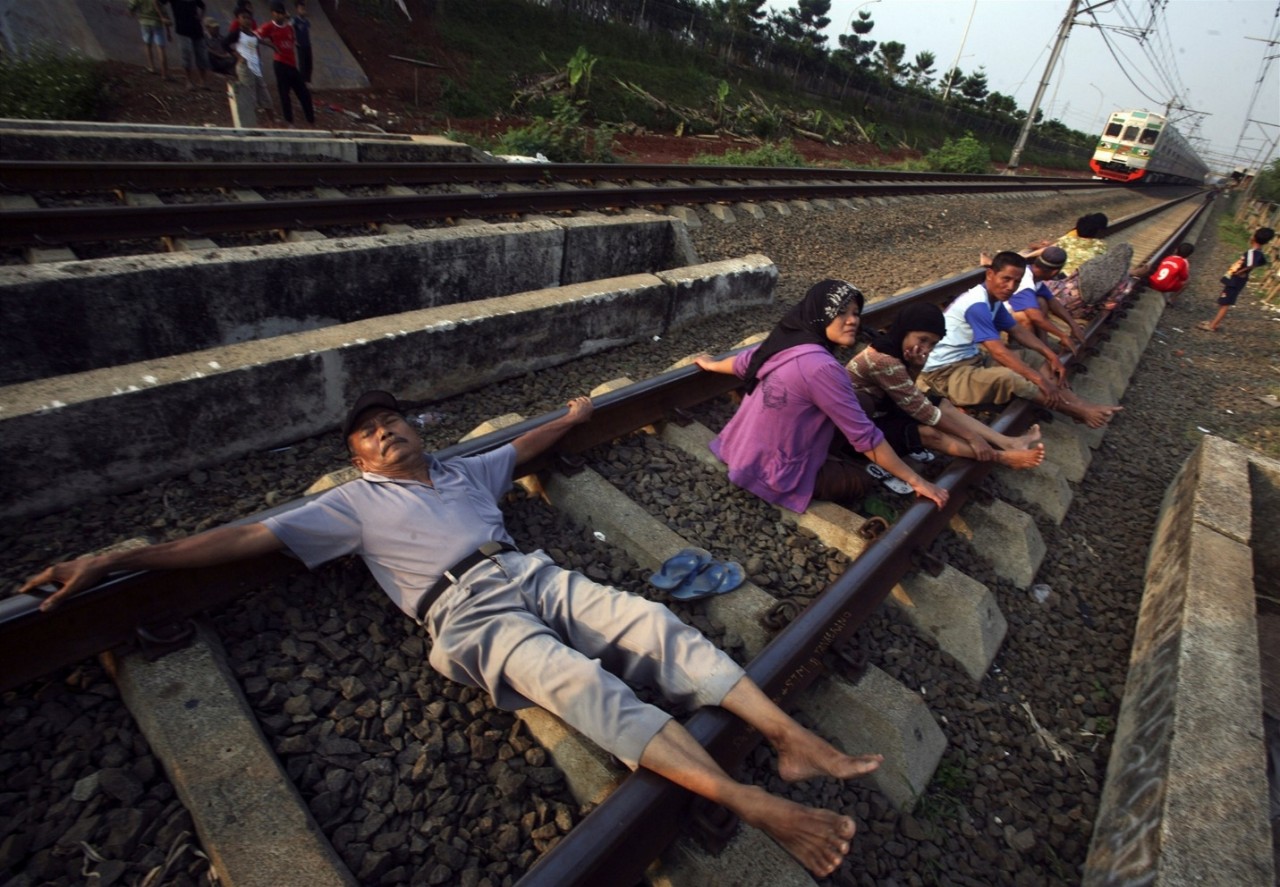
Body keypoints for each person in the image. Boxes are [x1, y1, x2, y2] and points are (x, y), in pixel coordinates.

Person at [17, 390, 883, 878]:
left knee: (651, 619)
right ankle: (753, 802)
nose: (385, 432)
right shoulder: (351, 505)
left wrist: (576, 413)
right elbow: (236, 540)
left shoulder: (468, 469)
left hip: (529, 568)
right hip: (464, 612)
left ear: (416, 431)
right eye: (368, 434)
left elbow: (529, 443)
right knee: (582, 686)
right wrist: (115, 554)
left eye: (393, 421)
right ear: (359, 459)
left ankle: (788, 737)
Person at [694, 280, 949, 510]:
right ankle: (821, 461)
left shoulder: (787, 341)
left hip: (739, 447)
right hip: (768, 471)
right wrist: (918, 481)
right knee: (860, 479)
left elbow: (742, 363)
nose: (852, 320)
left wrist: (711, 364)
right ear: (820, 314)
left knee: (862, 402)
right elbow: (865, 437)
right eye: (840, 312)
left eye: (855, 313)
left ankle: (824, 452)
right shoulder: (823, 368)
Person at [918, 252, 1123, 430]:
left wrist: (1051, 355)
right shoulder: (976, 305)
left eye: (1016, 282)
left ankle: (1080, 405)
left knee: (1033, 358)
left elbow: (1016, 329)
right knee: (1012, 377)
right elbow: (998, 351)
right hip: (945, 374)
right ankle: (1078, 411)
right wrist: (1039, 379)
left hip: (972, 359)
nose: (1011, 287)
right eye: (1005, 279)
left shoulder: (993, 300)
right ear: (990, 274)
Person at [847, 303, 1046, 470]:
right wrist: (973, 438)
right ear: (904, 330)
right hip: (854, 431)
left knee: (942, 405)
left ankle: (1008, 442)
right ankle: (1000, 456)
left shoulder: (893, 347)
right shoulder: (883, 359)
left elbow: (908, 390)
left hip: (878, 411)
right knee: (928, 432)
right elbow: (924, 413)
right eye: (922, 339)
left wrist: (917, 366)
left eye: (932, 344)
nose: (926, 349)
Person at [1006, 246, 1087, 356]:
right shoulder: (1025, 282)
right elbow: (1035, 317)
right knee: (1025, 317)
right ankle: (1029, 351)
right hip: (993, 316)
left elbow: (1052, 301)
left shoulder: (1033, 275)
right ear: (1055, 272)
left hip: (1005, 310)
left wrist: (1073, 325)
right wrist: (1062, 335)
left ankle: (1044, 345)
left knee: (1042, 301)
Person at [1199, 227, 1273, 332]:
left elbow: (1251, 264)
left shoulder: (1253, 252)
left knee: (1225, 303)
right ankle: (1213, 322)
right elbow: (1261, 262)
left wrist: (1240, 272)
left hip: (1236, 280)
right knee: (1224, 301)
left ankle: (1213, 325)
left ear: (1254, 237)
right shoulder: (1258, 252)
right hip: (1237, 279)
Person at [257, 1, 315, 126]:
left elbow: (293, 41)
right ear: (273, 14)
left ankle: (311, 121)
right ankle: (289, 122)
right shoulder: (269, 27)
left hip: (292, 65)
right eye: (277, 13)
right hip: (280, 63)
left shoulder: (289, 28)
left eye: (281, 13)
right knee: (284, 94)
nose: (280, 15)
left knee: (304, 93)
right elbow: (255, 35)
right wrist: (270, 44)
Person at [227, 8, 276, 124]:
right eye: (244, 18)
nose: (247, 20)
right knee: (250, 95)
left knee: (265, 95)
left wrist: (272, 46)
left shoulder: (252, 34)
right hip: (244, 67)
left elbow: (259, 41)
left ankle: (272, 122)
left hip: (255, 67)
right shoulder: (237, 34)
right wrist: (237, 55)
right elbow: (225, 44)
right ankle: (251, 123)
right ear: (238, 19)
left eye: (249, 18)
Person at [168, 0, 210, 90]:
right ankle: (189, 81)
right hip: (182, 29)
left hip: (196, 29)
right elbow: (158, 2)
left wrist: (201, 17)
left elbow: (203, 6)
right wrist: (162, 16)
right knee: (186, 54)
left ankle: (203, 81)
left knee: (202, 55)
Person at [127, 0, 171, 80]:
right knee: (160, 48)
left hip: (145, 22)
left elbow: (132, 7)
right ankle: (164, 74)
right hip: (157, 23)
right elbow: (163, 9)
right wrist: (168, 29)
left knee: (148, 45)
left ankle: (152, 67)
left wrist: (131, 12)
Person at [292, 0, 313, 84]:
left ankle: (308, 82)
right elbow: (289, 28)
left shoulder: (306, 21)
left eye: (304, 9)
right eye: (301, 9)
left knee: (309, 64)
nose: (303, 10)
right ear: (297, 9)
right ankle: (302, 82)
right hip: (300, 45)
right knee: (302, 64)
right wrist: (294, 40)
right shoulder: (295, 20)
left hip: (307, 44)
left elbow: (307, 30)